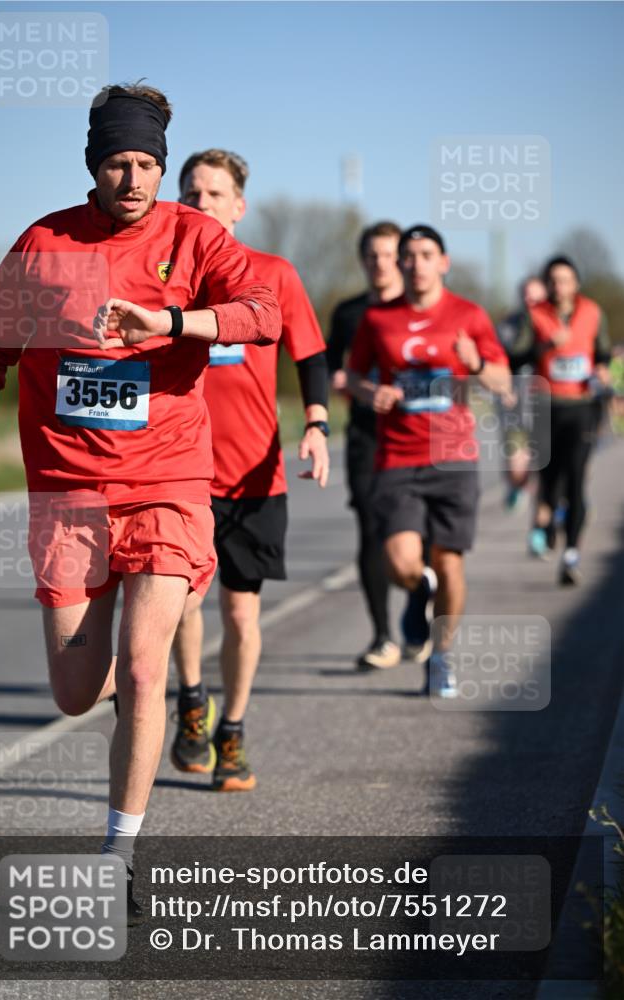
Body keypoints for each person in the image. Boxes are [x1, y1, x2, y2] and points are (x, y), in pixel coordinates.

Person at [0, 86, 281, 915]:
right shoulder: (47, 240)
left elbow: (261, 311)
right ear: (93, 165)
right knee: (76, 690)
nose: (132, 179)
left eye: (145, 165)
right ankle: (103, 703)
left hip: (169, 481)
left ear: (162, 167)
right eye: (116, 163)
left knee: (144, 667)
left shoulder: (193, 234)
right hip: (69, 488)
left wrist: (172, 323)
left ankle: (120, 850)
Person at [171, 149, 329, 791]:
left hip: (255, 476)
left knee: (240, 615)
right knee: (178, 600)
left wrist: (316, 425)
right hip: (179, 473)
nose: (201, 202)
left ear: (238, 206)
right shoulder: (165, 283)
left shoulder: (273, 274)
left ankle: (230, 731)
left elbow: (310, 356)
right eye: (191, 192)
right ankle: (189, 703)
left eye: (214, 193)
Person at [347, 225, 510, 696]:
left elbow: (502, 382)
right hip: (398, 454)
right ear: (399, 264)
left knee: (450, 562)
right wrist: (370, 391)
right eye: (409, 256)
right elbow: (352, 375)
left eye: (426, 254)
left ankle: (440, 657)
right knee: (400, 561)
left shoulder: (469, 315)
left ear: (444, 261)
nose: (416, 263)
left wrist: (475, 362)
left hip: (454, 456)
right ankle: (418, 589)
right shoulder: (378, 320)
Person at [327, 221, 410, 670]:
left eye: (389, 254)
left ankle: (421, 609)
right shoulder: (349, 313)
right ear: (362, 260)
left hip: (417, 436)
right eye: (372, 255)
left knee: (416, 539)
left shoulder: (417, 309)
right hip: (365, 435)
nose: (380, 263)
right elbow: (328, 365)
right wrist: (349, 385)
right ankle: (382, 635)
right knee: (372, 531)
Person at [510, 256, 611, 584]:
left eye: (565, 280)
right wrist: (544, 346)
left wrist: (602, 368)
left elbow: (603, 352)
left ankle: (571, 555)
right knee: (550, 484)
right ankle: (550, 518)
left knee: (578, 478)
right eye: (553, 280)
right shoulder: (535, 314)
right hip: (545, 406)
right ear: (547, 284)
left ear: (576, 283)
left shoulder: (593, 312)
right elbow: (517, 357)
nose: (559, 286)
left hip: (581, 406)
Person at [496, 276, 547, 512]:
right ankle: (518, 485)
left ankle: (541, 523)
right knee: (517, 468)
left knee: (546, 468)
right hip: (516, 404)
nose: (531, 300)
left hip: (549, 405)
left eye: (536, 295)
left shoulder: (555, 325)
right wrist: (503, 386)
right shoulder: (508, 327)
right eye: (527, 294)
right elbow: (498, 361)